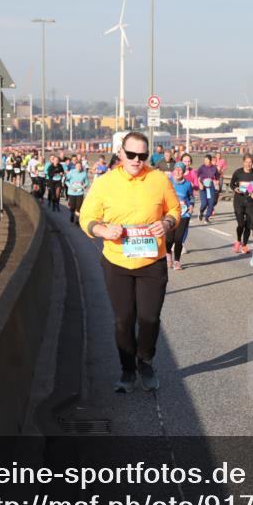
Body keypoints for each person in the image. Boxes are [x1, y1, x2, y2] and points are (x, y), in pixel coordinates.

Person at [80, 131, 180, 392]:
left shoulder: (159, 179)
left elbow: (174, 209)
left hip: (151, 261)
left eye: (142, 155)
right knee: (123, 320)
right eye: (131, 154)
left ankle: (145, 361)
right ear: (121, 153)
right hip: (117, 262)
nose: (137, 160)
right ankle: (127, 370)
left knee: (149, 318)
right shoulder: (104, 182)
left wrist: (167, 223)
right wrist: (103, 231)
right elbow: (87, 216)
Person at [230, 154, 253, 254]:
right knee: (241, 224)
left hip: (251, 203)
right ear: (243, 162)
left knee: (248, 225)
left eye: (250, 162)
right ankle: (238, 241)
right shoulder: (238, 172)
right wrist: (235, 188)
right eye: (246, 162)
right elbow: (231, 184)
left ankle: (244, 245)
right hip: (239, 201)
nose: (248, 164)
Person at [166, 162, 196, 270]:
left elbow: (191, 197)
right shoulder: (168, 182)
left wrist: (191, 205)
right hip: (169, 214)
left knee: (178, 239)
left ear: (183, 172)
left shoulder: (187, 184)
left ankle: (177, 261)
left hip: (184, 214)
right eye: (176, 169)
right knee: (169, 239)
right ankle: (168, 254)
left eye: (180, 170)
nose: (178, 172)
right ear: (173, 171)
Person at [196, 154, 220, 222]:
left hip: (210, 186)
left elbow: (217, 176)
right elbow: (197, 177)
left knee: (211, 203)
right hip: (203, 186)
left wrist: (216, 181)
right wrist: (200, 184)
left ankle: (207, 217)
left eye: (207, 160)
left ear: (210, 160)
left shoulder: (214, 168)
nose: (206, 161)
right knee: (204, 203)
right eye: (205, 160)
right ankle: (201, 212)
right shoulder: (201, 167)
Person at [65, 160, 90, 225]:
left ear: (81, 167)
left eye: (80, 166)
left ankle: (77, 220)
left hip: (80, 193)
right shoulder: (71, 172)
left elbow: (87, 182)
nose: (78, 167)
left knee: (79, 207)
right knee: (72, 206)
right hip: (72, 192)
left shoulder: (84, 173)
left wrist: (84, 186)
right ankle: (72, 214)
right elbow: (66, 181)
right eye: (77, 166)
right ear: (75, 167)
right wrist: (70, 187)